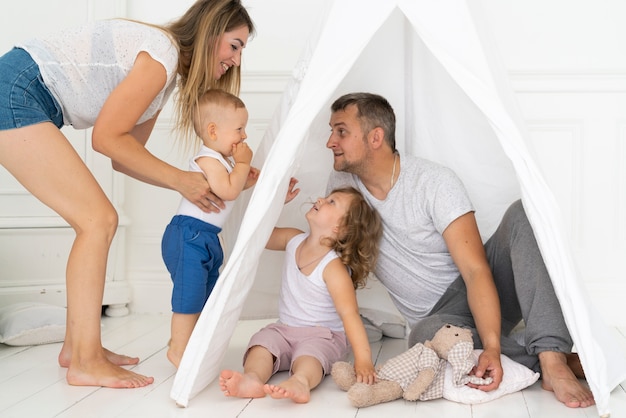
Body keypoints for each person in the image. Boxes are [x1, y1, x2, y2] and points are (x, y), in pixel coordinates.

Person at [0, 0, 254, 388]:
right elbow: (106, 139)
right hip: (17, 91)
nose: (236, 60)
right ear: (210, 30)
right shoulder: (162, 55)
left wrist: (185, 181)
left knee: (96, 220)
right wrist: (181, 180)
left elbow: (125, 156)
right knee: (98, 220)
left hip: (26, 95)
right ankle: (85, 361)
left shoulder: (165, 75)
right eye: (234, 45)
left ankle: (77, 348)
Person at [324, 92, 595, 409]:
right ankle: (555, 360)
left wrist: (492, 347)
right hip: (438, 321)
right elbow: (322, 245)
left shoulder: (433, 182)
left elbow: (476, 270)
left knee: (525, 211)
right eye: (331, 131)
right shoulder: (340, 183)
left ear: (375, 137)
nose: (330, 141)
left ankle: (551, 358)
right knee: (424, 333)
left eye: (341, 131)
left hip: (479, 290)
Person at [219, 186, 383, 404]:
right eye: (327, 197)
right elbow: (260, 234)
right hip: (284, 328)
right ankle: (252, 378)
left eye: (332, 202)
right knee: (261, 344)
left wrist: (363, 360)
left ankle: (301, 381)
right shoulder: (292, 239)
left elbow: (350, 315)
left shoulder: (333, 268)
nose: (321, 199)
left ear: (341, 228)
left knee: (310, 356)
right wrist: (278, 202)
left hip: (322, 335)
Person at [162, 88, 259, 368]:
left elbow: (232, 188)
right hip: (188, 235)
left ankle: (192, 345)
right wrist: (243, 165)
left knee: (207, 295)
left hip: (206, 238)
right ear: (213, 131)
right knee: (189, 295)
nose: (244, 136)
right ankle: (178, 349)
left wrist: (252, 178)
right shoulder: (207, 160)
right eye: (239, 129)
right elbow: (228, 191)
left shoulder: (224, 163)